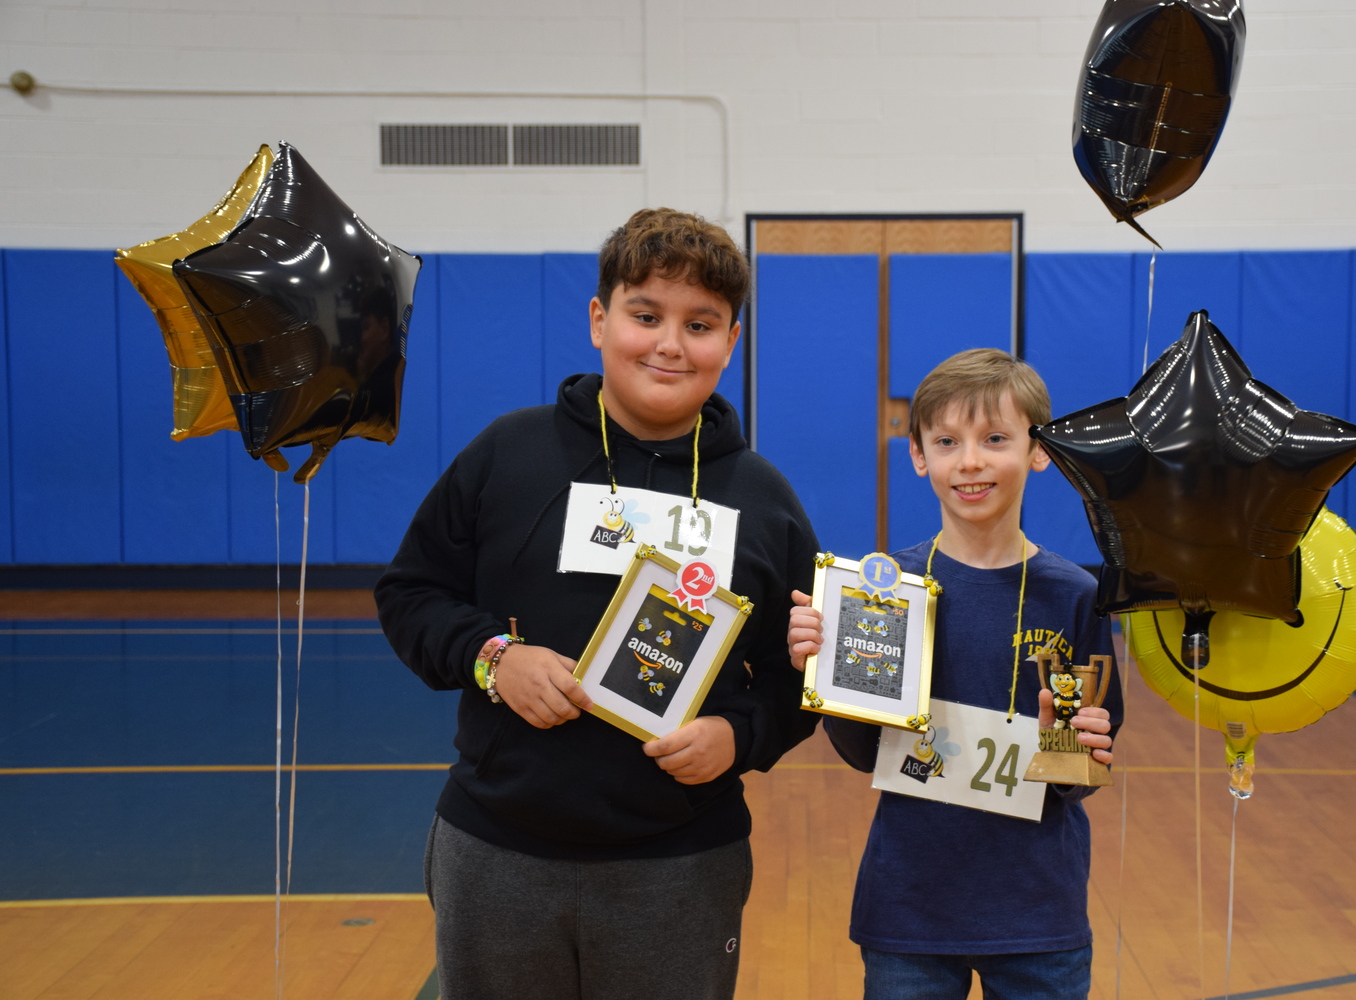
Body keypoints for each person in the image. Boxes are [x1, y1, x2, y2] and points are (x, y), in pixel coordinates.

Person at [377, 208, 820, 1000]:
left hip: (684, 862)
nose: (669, 344)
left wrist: (740, 732)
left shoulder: (765, 500)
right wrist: (493, 658)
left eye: (701, 324)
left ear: (732, 341)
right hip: (498, 849)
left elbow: (799, 679)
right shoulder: (506, 454)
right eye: (644, 315)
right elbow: (409, 594)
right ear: (598, 319)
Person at [787, 348, 1123, 1000]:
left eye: (995, 439)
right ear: (919, 456)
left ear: (1039, 450)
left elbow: (1074, 780)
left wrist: (1068, 745)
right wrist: (824, 677)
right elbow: (865, 754)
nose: (969, 461)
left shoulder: (1074, 596)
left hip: (1038, 915)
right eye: (947, 442)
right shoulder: (885, 591)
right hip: (909, 907)